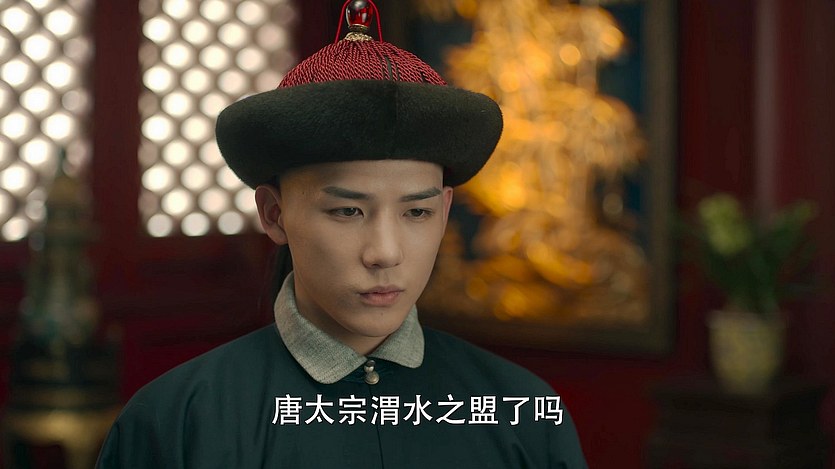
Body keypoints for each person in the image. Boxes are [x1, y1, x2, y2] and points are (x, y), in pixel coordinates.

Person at [96, 2, 587, 467]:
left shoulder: (522, 414)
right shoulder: (179, 421)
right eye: (348, 211)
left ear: (445, 211)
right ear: (274, 214)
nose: (385, 253)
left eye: (417, 212)